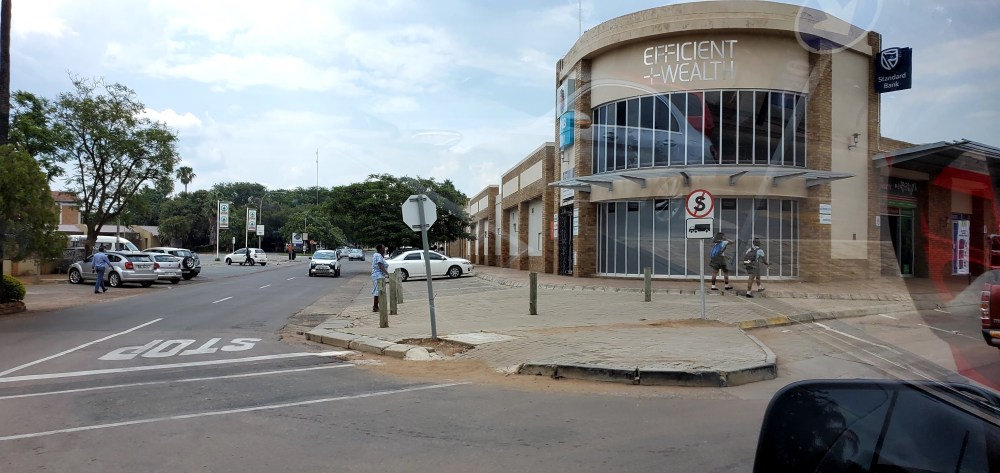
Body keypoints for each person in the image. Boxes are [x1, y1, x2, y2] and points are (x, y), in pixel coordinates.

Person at [371, 244, 389, 312]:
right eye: (383, 248)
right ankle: (375, 307)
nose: (384, 250)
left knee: (379, 290)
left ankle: (377, 306)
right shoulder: (378, 256)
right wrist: (387, 274)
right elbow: (380, 265)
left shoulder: (378, 255)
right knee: (378, 290)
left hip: (378, 275)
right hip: (378, 275)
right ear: (380, 249)